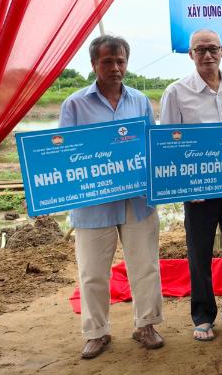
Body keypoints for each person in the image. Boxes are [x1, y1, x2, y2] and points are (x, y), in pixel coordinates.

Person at [59, 35, 163, 358]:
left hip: (137, 201)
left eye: (120, 61)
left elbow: (150, 144)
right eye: (108, 61)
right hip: (93, 204)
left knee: (145, 266)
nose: (116, 68)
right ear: (94, 64)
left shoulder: (140, 101)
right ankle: (96, 332)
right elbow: (64, 153)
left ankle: (146, 325)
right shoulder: (74, 104)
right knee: (92, 272)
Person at [160, 29, 222, 341]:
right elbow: (167, 143)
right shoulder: (176, 92)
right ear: (191, 54)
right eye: (200, 49)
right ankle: (203, 316)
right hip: (198, 190)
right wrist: (185, 187)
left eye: (212, 48)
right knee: (199, 253)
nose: (207, 55)